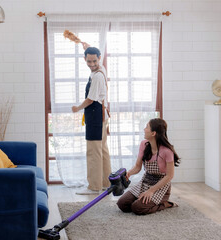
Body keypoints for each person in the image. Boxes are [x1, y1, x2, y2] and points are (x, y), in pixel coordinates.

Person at [117, 118, 181, 215]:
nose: (144, 129)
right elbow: (138, 167)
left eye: (147, 127)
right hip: (145, 182)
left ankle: (166, 203)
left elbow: (170, 176)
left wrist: (151, 191)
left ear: (153, 133)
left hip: (161, 186)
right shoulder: (144, 144)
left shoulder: (167, 151)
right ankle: (145, 201)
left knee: (137, 208)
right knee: (122, 204)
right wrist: (129, 173)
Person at [72, 43, 111, 195]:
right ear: (85, 59)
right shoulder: (101, 69)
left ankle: (94, 187)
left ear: (99, 58)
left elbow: (90, 99)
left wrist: (77, 108)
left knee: (93, 152)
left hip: (95, 116)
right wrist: (86, 46)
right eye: (89, 61)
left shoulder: (97, 77)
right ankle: (106, 183)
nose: (92, 64)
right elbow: (92, 53)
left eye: (95, 61)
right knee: (102, 150)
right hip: (101, 116)